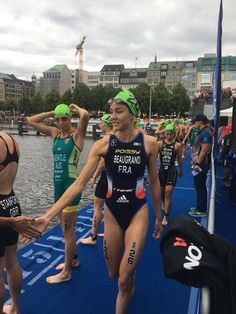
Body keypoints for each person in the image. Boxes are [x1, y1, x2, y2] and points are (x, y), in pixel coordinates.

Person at [34, 90, 163, 314]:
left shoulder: (149, 144)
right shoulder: (103, 145)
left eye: (119, 112)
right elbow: (78, 184)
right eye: (112, 112)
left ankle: (128, 284)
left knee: (123, 278)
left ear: (132, 114)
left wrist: (160, 215)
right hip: (112, 214)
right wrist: (47, 215)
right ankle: (128, 280)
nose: (113, 117)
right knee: (113, 273)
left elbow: (154, 180)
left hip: (137, 213)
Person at [26, 103, 89, 284]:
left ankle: (67, 272)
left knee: (68, 232)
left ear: (70, 118)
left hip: (70, 187)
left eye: (65, 118)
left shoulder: (77, 135)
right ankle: (74, 259)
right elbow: (31, 121)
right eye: (58, 119)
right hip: (57, 187)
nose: (61, 122)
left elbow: (84, 116)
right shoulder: (54, 134)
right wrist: (52, 112)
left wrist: (76, 109)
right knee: (64, 229)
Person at [0, 131, 40, 314]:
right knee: (12, 262)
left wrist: (10, 222)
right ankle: (15, 308)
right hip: (11, 203)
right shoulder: (10, 140)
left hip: (3, 217)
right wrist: (13, 220)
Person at [79, 113, 113, 245]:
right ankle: (110, 232)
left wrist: (93, 177)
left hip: (106, 177)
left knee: (97, 207)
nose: (99, 125)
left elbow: (102, 163)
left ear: (106, 124)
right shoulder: (119, 138)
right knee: (110, 207)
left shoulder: (105, 141)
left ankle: (92, 237)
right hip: (116, 178)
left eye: (101, 122)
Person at [157, 124, 182, 225]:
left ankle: (165, 217)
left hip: (172, 171)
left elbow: (179, 159)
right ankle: (164, 202)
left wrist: (180, 169)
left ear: (174, 134)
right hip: (162, 171)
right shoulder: (159, 144)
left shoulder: (177, 145)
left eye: (171, 134)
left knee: (168, 192)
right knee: (162, 192)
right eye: (167, 134)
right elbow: (154, 157)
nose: (169, 136)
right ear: (165, 134)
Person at [188, 114, 213, 218]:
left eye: (195, 122)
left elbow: (204, 150)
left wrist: (197, 163)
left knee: (200, 186)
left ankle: (201, 209)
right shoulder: (204, 132)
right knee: (199, 186)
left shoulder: (205, 133)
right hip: (200, 163)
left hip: (201, 164)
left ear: (200, 122)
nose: (194, 124)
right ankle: (200, 207)